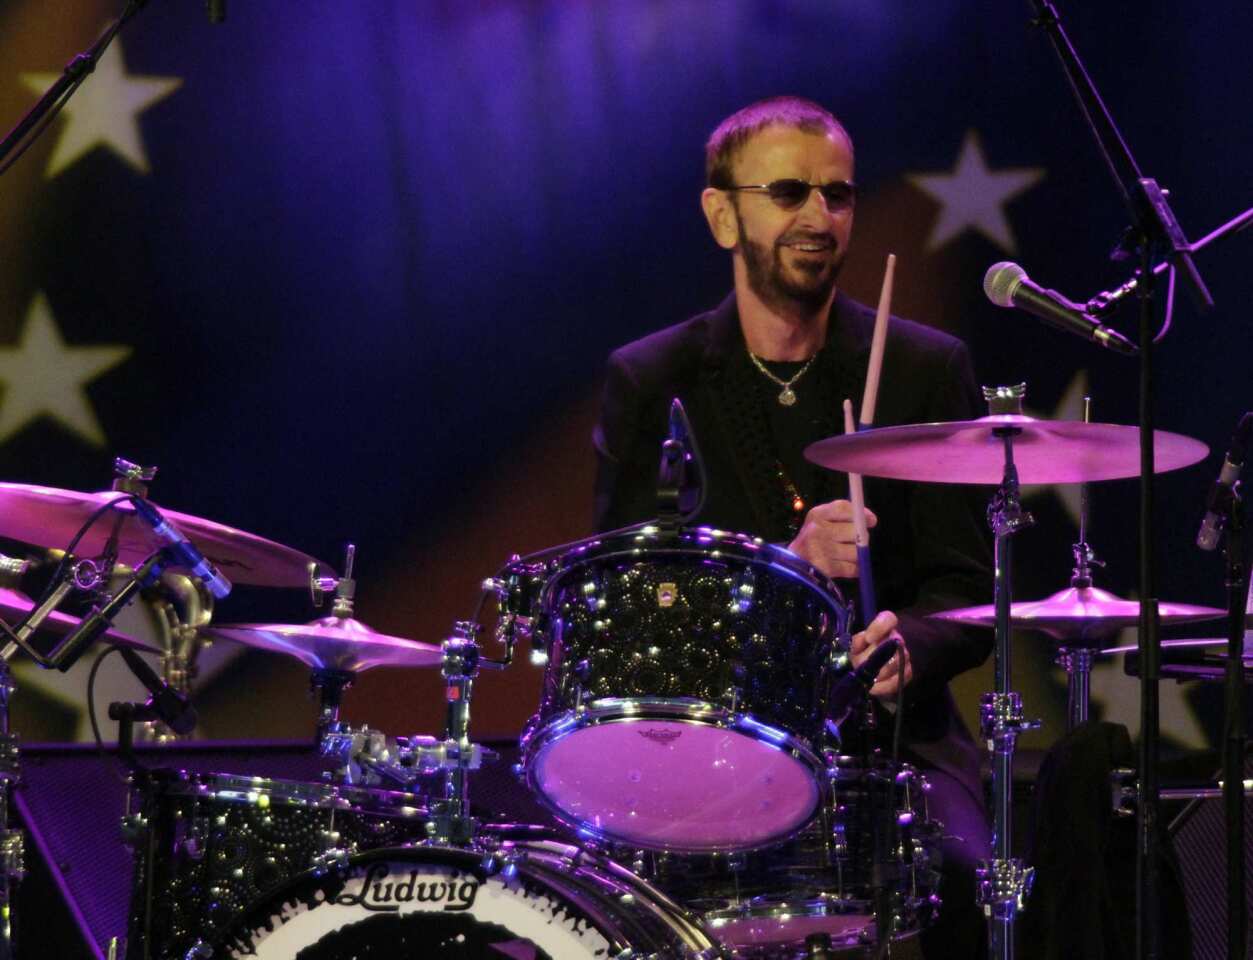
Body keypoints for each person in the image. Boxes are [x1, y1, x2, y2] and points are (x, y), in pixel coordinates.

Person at [592, 96, 994, 958]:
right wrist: (784, 566)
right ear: (722, 214)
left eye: (838, 195)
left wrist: (911, 647)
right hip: (714, 738)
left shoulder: (926, 368)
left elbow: (968, 591)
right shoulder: (654, 379)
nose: (818, 217)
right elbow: (626, 599)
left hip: (894, 745)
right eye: (787, 193)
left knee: (958, 873)